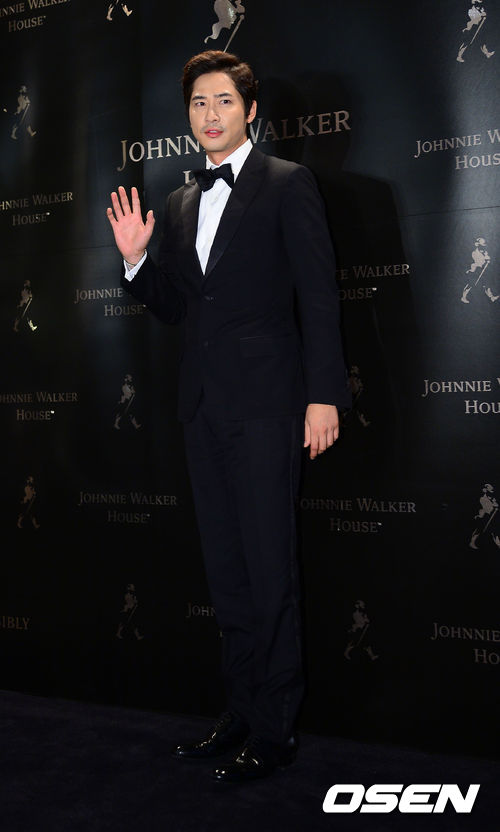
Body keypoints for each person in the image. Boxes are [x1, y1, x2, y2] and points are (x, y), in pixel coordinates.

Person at [107, 50, 350, 783]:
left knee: (270, 570)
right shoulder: (180, 201)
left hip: (271, 408)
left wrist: (324, 394)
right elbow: (180, 309)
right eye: (197, 104)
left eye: (222, 101)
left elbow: (319, 295)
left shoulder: (287, 183)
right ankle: (241, 712)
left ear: (249, 111)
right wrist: (137, 265)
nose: (209, 115)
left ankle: (275, 729)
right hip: (203, 411)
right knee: (228, 573)